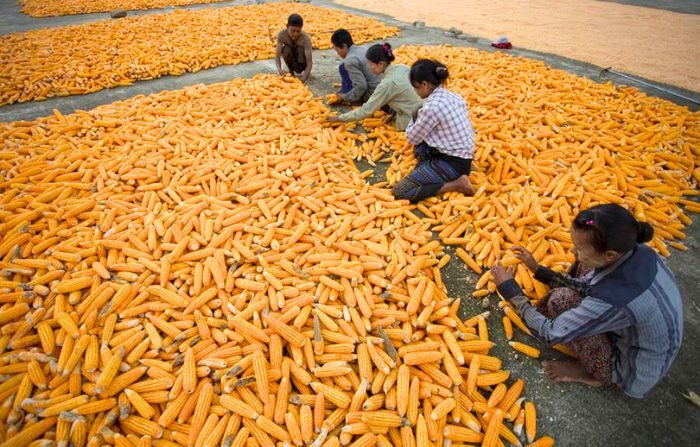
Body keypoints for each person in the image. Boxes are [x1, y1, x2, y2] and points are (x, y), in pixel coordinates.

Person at [491, 204, 683, 399]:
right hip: (643, 332)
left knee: (561, 300)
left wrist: (512, 292)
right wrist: (538, 269)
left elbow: (550, 333)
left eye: (580, 248)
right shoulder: (637, 250)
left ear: (610, 255)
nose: (573, 251)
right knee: (584, 266)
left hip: (634, 369)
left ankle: (597, 374)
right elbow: (587, 285)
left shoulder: (614, 298)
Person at [392, 59, 476, 203]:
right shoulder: (452, 95)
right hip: (463, 157)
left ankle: (457, 184)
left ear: (425, 85)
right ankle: (446, 170)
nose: (414, 91)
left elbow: (412, 138)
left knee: (401, 191)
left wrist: (415, 115)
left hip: (452, 163)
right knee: (420, 151)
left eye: (415, 87)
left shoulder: (431, 108)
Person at [329, 43, 421, 131]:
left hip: (413, 119)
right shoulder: (402, 67)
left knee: (384, 107)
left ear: (380, 64)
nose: (369, 67)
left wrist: (340, 118)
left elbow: (366, 110)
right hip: (423, 109)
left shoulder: (387, 84)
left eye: (370, 64)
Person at [330, 29, 380, 104]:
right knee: (342, 67)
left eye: (337, 50)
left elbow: (361, 86)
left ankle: (348, 93)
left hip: (374, 94)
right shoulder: (363, 48)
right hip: (381, 85)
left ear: (344, 46)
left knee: (344, 67)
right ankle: (346, 91)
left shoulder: (350, 60)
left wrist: (344, 97)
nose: (338, 54)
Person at [275, 14, 313, 82]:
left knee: (300, 49)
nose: (295, 34)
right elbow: (277, 56)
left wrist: (304, 78)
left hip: (301, 61)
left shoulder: (305, 39)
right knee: (286, 49)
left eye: (298, 31)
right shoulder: (282, 35)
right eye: (292, 31)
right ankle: (291, 72)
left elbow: (310, 62)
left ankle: (306, 72)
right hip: (291, 58)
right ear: (287, 27)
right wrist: (279, 70)